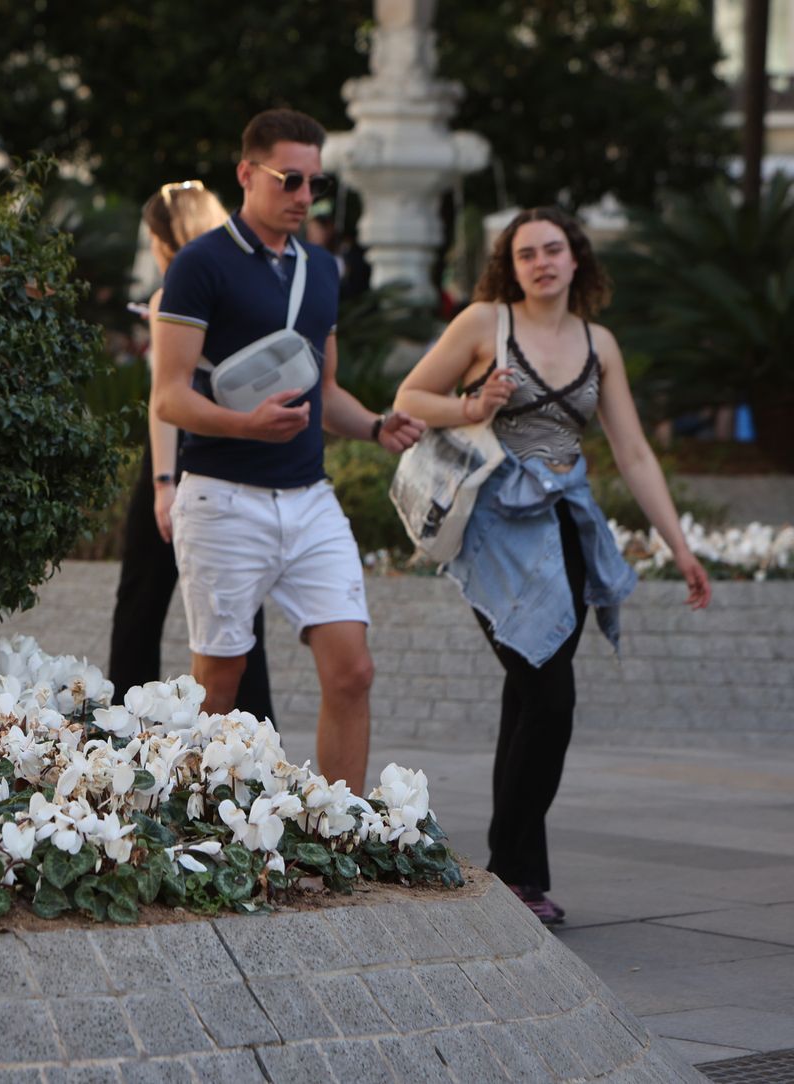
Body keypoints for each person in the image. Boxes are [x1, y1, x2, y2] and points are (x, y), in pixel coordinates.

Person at [392, 206, 711, 923]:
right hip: (494, 528)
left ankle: (513, 874)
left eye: (553, 249)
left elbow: (632, 451)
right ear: (512, 265)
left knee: (533, 694)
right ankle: (514, 870)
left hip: (565, 522)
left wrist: (680, 549)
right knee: (548, 693)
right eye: (526, 252)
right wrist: (477, 402)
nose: (540, 262)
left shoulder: (600, 343)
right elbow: (409, 397)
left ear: (576, 260)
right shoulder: (484, 323)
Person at [150, 109, 424, 792]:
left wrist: (373, 425)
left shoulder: (323, 268)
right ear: (248, 174)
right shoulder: (198, 264)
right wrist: (245, 427)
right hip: (221, 497)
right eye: (291, 179)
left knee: (352, 669)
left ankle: (340, 828)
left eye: (316, 184)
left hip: (308, 499)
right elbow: (168, 397)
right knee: (220, 680)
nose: (305, 196)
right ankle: (201, 830)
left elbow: (322, 391)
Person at [108, 181, 274, 722]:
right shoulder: (244, 284)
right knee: (241, 613)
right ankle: (255, 739)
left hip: (182, 466)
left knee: (141, 604)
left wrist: (161, 484)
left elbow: (164, 403)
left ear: (164, 236)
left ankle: (124, 727)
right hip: (240, 461)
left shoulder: (173, 293)